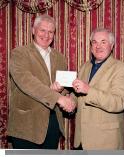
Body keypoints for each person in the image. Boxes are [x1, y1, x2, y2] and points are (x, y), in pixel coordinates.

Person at [7, 14, 76, 149]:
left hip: (53, 123)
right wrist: (58, 97)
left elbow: (65, 87)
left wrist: (67, 94)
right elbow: (26, 82)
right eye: (42, 30)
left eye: (51, 32)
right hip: (27, 126)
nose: (46, 35)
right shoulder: (19, 53)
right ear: (33, 30)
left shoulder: (60, 57)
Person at [72, 28, 124, 150]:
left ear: (112, 45)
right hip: (81, 140)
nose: (98, 46)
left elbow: (119, 103)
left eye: (103, 42)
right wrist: (68, 100)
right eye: (94, 42)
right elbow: (77, 96)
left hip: (105, 141)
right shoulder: (85, 66)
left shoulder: (122, 69)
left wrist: (89, 90)